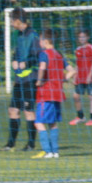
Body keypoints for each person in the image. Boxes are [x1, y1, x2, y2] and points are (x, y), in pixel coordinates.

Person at [3, 7, 40, 151]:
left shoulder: (33, 36)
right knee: (13, 110)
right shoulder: (18, 35)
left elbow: (37, 56)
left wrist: (27, 63)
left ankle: (31, 144)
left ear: (18, 20)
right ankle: (10, 144)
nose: (11, 23)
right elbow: (17, 52)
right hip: (19, 79)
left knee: (28, 111)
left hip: (30, 79)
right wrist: (13, 60)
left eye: (12, 21)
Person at [33, 30, 65, 159]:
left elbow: (42, 67)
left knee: (38, 122)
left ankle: (48, 151)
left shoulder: (44, 54)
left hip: (46, 93)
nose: (39, 43)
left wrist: (39, 80)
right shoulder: (58, 54)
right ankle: (55, 152)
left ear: (45, 41)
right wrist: (64, 78)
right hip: (57, 93)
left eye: (40, 40)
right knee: (53, 123)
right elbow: (71, 70)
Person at [69, 29, 92, 126]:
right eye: (80, 37)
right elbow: (77, 64)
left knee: (91, 97)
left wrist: (89, 76)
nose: (81, 38)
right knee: (75, 96)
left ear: (88, 37)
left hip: (90, 77)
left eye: (83, 37)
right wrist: (74, 76)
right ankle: (80, 116)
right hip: (80, 77)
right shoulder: (78, 49)